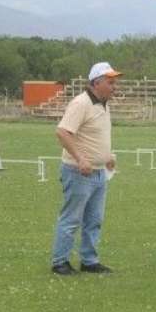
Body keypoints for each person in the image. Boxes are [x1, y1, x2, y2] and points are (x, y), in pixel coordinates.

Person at [50, 62, 122, 275]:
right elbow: (63, 132)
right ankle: (60, 262)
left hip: (99, 172)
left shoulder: (104, 103)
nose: (114, 86)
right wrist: (81, 159)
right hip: (78, 172)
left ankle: (89, 261)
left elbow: (95, 136)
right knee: (71, 218)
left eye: (114, 82)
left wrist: (108, 157)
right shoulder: (81, 103)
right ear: (96, 82)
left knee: (94, 220)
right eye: (110, 82)